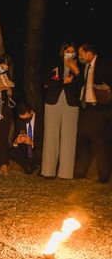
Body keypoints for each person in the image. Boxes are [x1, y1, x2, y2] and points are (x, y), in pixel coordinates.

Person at [41, 43, 83, 179]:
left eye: (72, 51)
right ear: (63, 52)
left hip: (71, 104)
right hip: (53, 102)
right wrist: (62, 83)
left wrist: (76, 71)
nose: (70, 53)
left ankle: (65, 173)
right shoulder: (54, 64)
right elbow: (45, 82)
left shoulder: (79, 67)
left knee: (69, 137)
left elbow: (83, 85)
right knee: (50, 135)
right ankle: (48, 171)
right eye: (67, 51)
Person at [74, 43, 112, 183]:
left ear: (89, 52)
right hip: (87, 106)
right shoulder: (86, 66)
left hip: (99, 107)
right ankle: (80, 171)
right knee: (83, 137)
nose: (80, 57)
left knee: (97, 139)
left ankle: (103, 174)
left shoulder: (102, 64)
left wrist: (106, 89)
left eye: (81, 53)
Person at [11, 102, 43, 174]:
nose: (24, 121)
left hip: (38, 148)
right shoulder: (19, 121)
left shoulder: (41, 120)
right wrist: (16, 141)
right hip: (25, 149)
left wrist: (32, 142)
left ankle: (35, 165)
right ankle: (29, 166)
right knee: (11, 152)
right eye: (22, 119)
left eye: (26, 118)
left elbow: (45, 140)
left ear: (31, 112)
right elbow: (15, 136)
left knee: (40, 153)